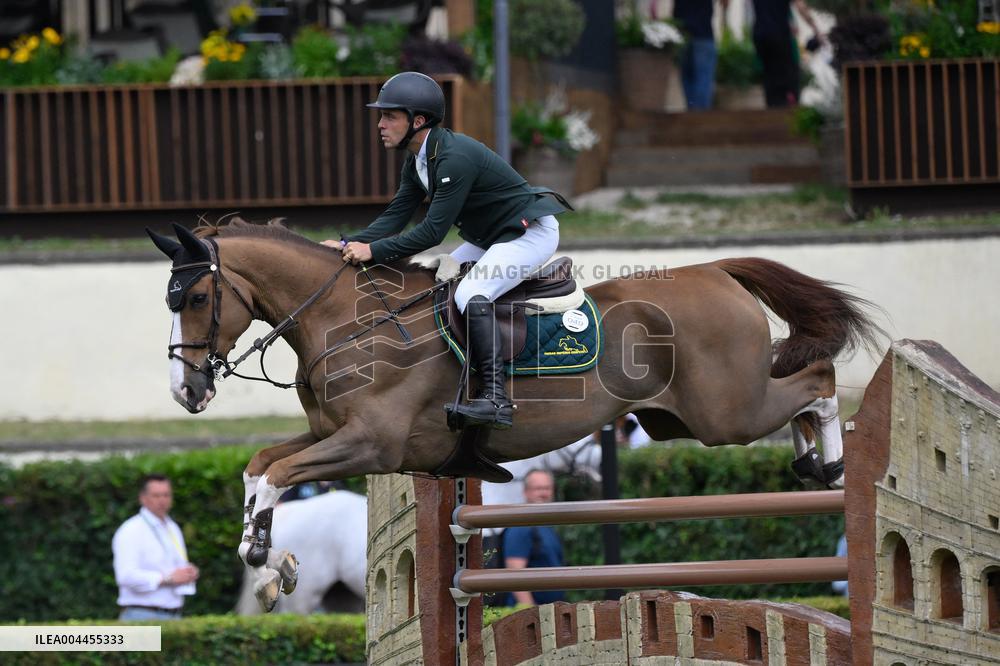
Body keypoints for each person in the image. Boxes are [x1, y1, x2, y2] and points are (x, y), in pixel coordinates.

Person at [322, 72, 571, 430]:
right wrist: (349, 244)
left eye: (389, 116)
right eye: (382, 116)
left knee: (472, 292)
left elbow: (431, 232)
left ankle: (496, 399)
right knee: (440, 282)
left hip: (528, 234)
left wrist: (373, 252)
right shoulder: (418, 159)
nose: (380, 124)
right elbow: (396, 215)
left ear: (418, 121)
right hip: (495, 236)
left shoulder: (453, 157)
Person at [112, 474, 199, 620]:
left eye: (166, 495)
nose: (162, 500)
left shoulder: (172, 527)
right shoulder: (130, 530)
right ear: (143, 498)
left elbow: (174, 566)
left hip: (174, 615)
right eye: (156, 495)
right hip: (141, 615)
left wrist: (188, 572)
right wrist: (168, 578)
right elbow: (125, 577)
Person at [502, 469, 565, 606]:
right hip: (531, 617)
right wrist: (532, 613)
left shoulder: (546, 525)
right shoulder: (521, 525)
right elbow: (515, 575)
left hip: (549, 613)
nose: (543, 493)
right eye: (538, 488)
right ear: (526, 492)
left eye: (547, 488)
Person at [751, 0, 821, 107]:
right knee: (787, 74)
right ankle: (786, 108)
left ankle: (772, 108)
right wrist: (816, 29)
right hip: (779, 32)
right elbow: (801, 6)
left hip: (760, 33)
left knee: (769, 75)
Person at [673, 0, 729, 110]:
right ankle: (698, 119)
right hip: (703, 33)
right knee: (703, 80)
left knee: (688, 81)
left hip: (682, 33)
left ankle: (692, 117)